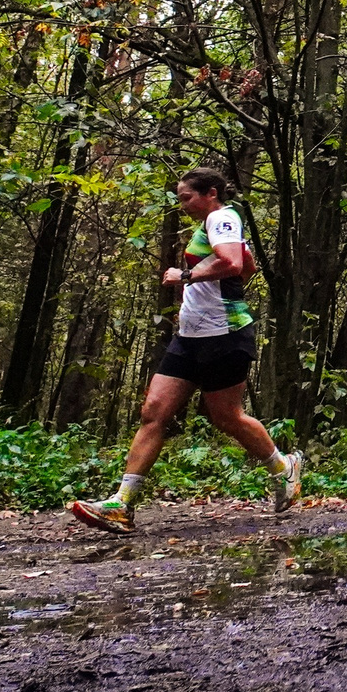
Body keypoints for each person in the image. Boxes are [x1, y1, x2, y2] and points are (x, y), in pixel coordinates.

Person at [69, 169, 304, 533]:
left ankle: (282, 467)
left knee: (227, 417)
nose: (182, 206)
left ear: (210, 193)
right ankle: (122, 504)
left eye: (186, 198)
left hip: (224, 334)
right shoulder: (219, 222)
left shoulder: (221, 217)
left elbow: (233, 263)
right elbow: (247, 265)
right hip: (190, 336)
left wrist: (187, 277)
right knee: (154, 411)